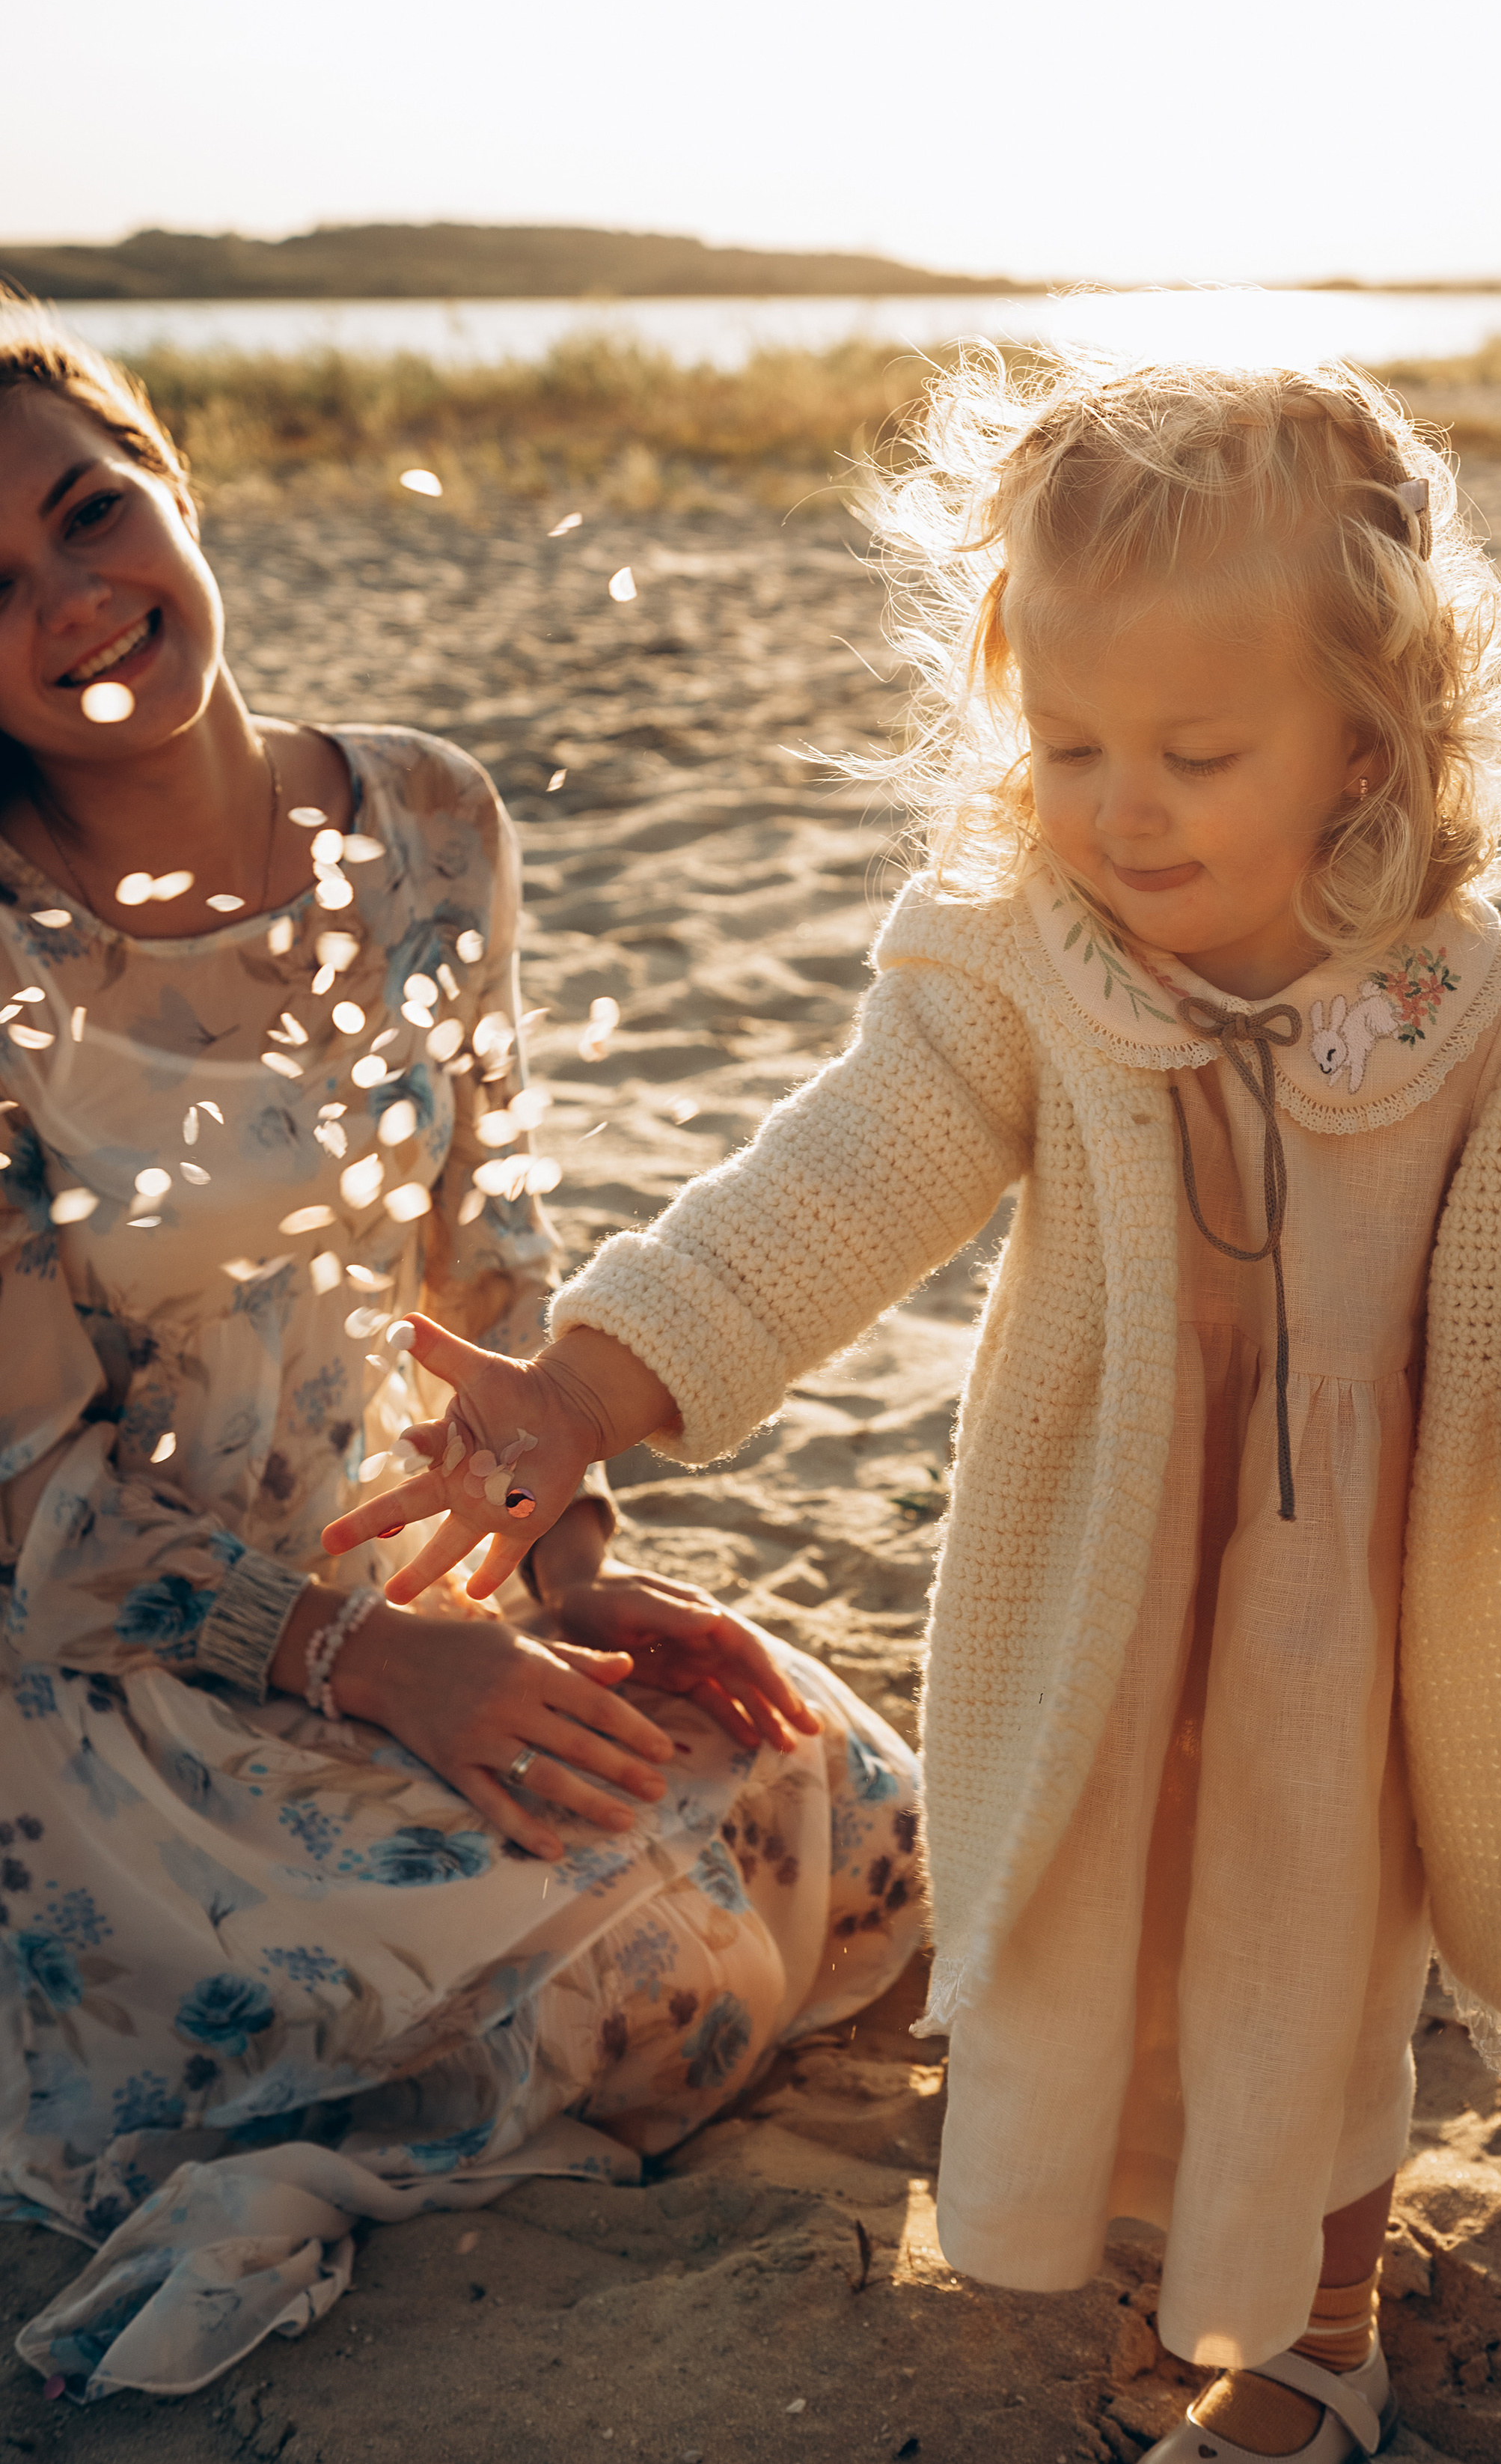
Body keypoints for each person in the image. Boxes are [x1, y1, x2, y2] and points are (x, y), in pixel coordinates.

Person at [329, 356, 1501, 2464]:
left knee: (1314, 1975)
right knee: (1115, 1937)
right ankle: (1176, 2261)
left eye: (1195, 750)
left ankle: (1312, 2335)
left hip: (1348, 1626)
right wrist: (592, 1384)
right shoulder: (1033, 974)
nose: (1123, 807)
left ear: (1369, 737)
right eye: (1071, 744)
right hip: (1098, 1576)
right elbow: (831, 1181)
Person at [0, 308, 923, 2404]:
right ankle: (298, 2168)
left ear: (169, 487)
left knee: (837, 1809)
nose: (74, 598)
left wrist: (565, 1563)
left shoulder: (427, 818)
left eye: (90, 509)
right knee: (653, 1975)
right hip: (118, 1691)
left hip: (414, 1564)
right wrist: (378, 1663)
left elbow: (486, 1264)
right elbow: (27, 1510)